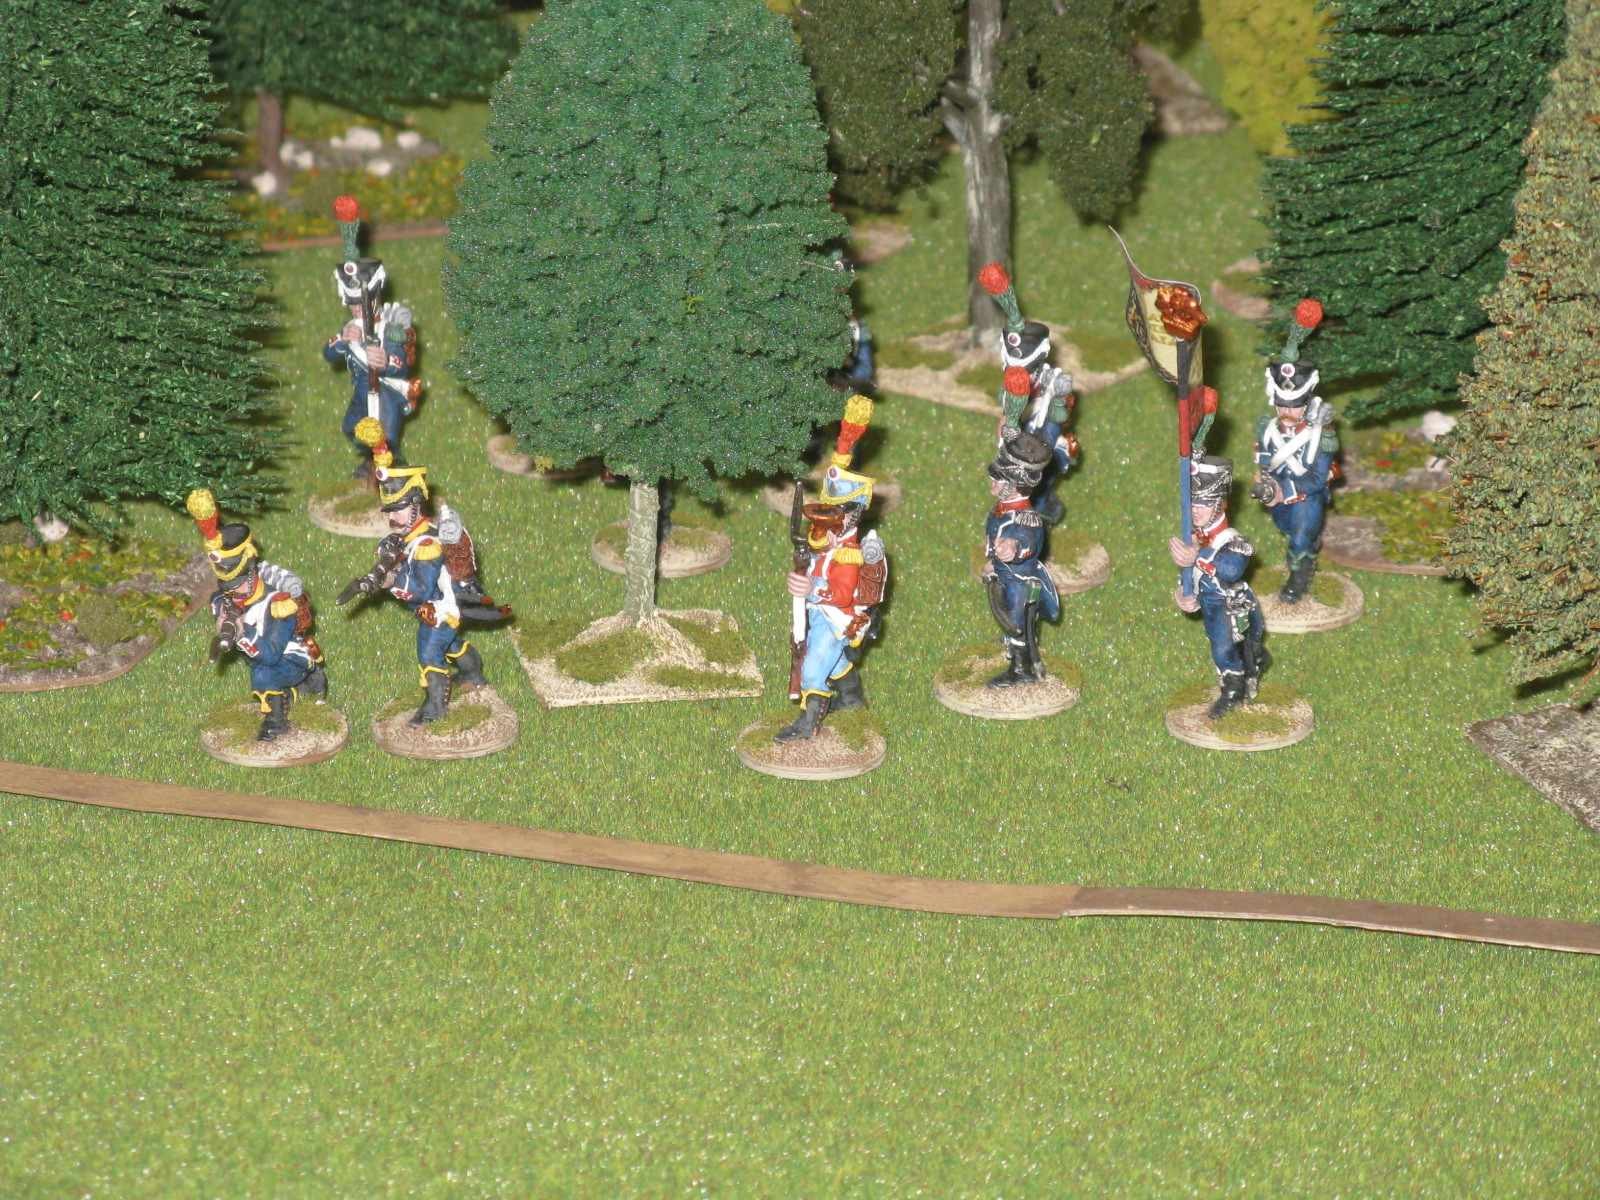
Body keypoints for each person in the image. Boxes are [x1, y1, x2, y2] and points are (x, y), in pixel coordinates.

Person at [339, 419, 508, 725]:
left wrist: (390, 580)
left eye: (399, 509)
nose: (392, 516)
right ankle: (473, 674)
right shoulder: (407, 536)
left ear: (416, 504)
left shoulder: (427, 545)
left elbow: (420, 589)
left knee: (430, 653)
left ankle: (435, 708)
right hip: (436, 607)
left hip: (442, 606)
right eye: (390, 509)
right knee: (451, 644)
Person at [185, 489, 326, 741]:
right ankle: (300, 691)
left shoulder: (279, 604)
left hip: (292, 657)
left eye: (236, 585)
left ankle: (276, 722)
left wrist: (243, 633)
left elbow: (271, 654)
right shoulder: (226, 597)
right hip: (265, 658)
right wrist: (224, 619)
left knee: (262, 673)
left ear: (251, 573)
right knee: (262, 670)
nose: (231, 592)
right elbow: (218, 599)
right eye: (226, 586)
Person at [1168, 458, 1267, 719]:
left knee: (1226, 650)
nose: (1196, 510)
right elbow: (1189, 574)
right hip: (1210, 606)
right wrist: (1184, 594)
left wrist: (1197, 556)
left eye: (1204, 503)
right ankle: (1247, 670)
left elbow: (1231, 570)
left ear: (1220, 504)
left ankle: (1233, 692)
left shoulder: (1233, 541)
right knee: (1224, 648)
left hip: (1230, 604)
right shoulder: (1193, 537)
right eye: (1193, 503)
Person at [980, 432, 1060, 687]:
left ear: (1015, 484)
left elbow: (1029, 541)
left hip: (1020, 582)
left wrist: (1014, 548)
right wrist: (993, 562)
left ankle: (1021, 669)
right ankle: (1014, 650)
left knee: (1017, 624)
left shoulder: (1027, 517)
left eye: (999, 478)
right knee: (1007, 620)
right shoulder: (1000, 509)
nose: (993, 481)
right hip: (1003, 576)